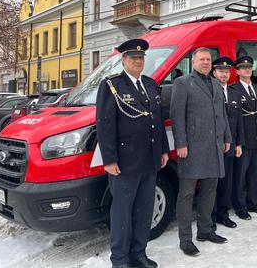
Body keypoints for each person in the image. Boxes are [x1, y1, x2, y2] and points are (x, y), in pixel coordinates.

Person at [96, 38, 169, 268]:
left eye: (141, 58)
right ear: (123, 60)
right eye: (133, 57)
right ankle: (120, 259)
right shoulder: (111, 86)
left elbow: (157, 120)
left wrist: (164, 150)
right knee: (122, 212)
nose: (138, 61)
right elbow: (105, 124)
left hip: (149, 159)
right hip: (124, 162)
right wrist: (109, 159)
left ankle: (139, 253)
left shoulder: (150, 85)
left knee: (144, 210)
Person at [170, 47, 232, 257]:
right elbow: (177, 115)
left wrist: (226, 138)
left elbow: (221, 115)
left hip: (214, 146)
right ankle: (185, 239)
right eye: (202, 59)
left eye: (208, 59)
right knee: (186, 194)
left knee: (209, 190)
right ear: (193, 62)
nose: (206, 62)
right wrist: (180, 143)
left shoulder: (216, 83)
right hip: (192, 147)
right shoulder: (183, 82)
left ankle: (205, 230)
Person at [231, 56, 257, 220]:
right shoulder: (234, 90)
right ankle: (240, 206)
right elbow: (234, 118)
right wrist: (237, 142)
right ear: (237, 71)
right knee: (240, 176)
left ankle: (253, 203)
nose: (247, 69)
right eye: (243, 67)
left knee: (256, 174)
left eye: (249, 67)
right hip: (244, 139)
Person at [211, 56, 244, 229]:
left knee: (227, 181)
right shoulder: (209, 90)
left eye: (226, 71)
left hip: (230, 145)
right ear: (214, 72)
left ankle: (223, 213)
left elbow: (238, 121)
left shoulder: (234, 93)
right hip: (213, 145)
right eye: (220, 71)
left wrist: (238, 143)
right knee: (212, 183)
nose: (224, 74)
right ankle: (211, 215)